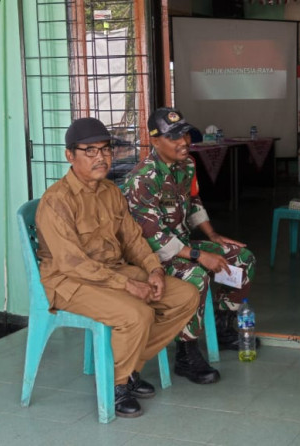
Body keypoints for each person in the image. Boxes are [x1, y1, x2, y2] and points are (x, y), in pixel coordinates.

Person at [36, 117, 198, 418]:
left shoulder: (111, 192)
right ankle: (117, 384)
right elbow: (73, 263)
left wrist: (153, 270)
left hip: (113, 272)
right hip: (70, 282)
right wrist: (127, 285)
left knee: (185, 296)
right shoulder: (57, 201)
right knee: (137, 313)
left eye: (106, 149)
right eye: (90, 151)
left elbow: (133, 239)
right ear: (70, 155)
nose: (101, 157)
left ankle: (129, 367)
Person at [122, 107, 256, 385]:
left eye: (184, 134)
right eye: (174, 137)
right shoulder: (142, 179)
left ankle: (222, 325)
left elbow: (193, 202)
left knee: (242, 259)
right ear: (155, 140)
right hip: (152, 258)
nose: (183, 142)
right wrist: (199, 255)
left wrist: (213, 236)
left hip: (182, 245)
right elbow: (153, 236)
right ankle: (186, 352)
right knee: (195, 276)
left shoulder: (188, 164)